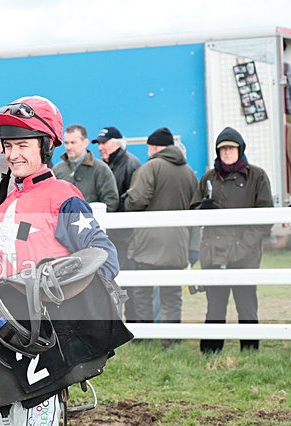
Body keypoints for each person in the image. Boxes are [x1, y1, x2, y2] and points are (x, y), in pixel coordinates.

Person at [0, 96, 121, 426]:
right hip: (4, 346)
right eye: (8, 144)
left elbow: (102, 255)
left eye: (23, 143)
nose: (13, 153)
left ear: (47, 145)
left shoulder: (64, 196)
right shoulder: (3, 208)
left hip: (47, 348)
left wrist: (52, 280)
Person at [197, 127, 273, 353]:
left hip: (245, 255)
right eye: (223, 149)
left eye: (231, 148)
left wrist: (243, 245)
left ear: (240, 150)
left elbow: (265, 217)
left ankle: (250, 351)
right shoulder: (209, 177)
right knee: (215, 306)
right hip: (214, 253)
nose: (227, 152)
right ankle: (210, 351)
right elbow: (192, 208)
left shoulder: (257, 176)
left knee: (247, 305)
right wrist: (203, 208)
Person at [124, 127, 199, 334]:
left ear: (154, 147)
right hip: (178, 243)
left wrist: (127, 199)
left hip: (149, 242)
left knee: (143, 292)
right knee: (172, 294)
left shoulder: (151, 167)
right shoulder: (189, 172)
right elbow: (196, 209)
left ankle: (144, 336)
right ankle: (172, 338)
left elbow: (137, 200)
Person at [92, 126, 142, 321]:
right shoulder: (110, 165)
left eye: (105, 143)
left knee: (126, 280)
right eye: (100, 144)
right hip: (113, 235)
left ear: (117, 144)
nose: (101, 148)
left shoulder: (130, 164)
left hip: (124, 236)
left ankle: (133, 321)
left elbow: (131, 200)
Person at [53, 124, 119, 211]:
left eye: (73, 142)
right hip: (62, 223)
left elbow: (111, 201)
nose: (68, 147)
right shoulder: (57, 170)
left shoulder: (101, 169)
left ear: (85, 142)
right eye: (66, 143)